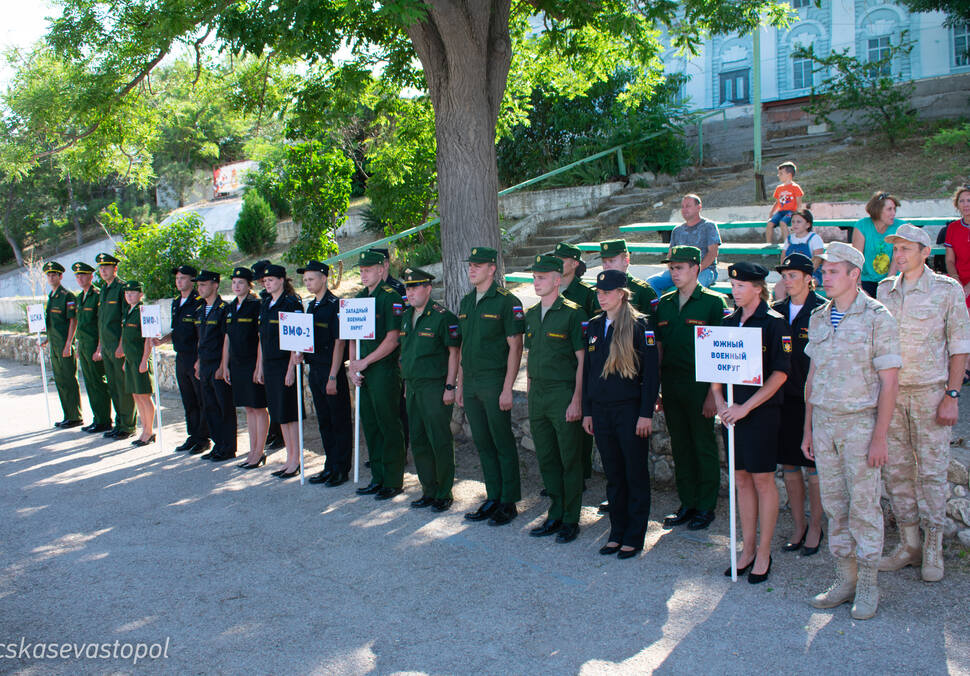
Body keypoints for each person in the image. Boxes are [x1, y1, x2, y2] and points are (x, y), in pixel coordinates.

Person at [802, 241, 901, 620]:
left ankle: (869, 584)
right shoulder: (819, 317)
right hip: (825, 423)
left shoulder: (878, 317)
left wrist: (879, 436)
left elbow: (889, 383)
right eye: (823, 271)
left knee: (864, 507)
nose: (824, 276)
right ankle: (845, 579)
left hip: (861, 424)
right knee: (834, 505)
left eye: (832, 271)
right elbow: (813, 376)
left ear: (854, 274)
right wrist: (808, 429)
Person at [877, 224, 970, 583]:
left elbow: (960, 347)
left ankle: (932, 547)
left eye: (905, 249)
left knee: (931, 473)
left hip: (932, 394)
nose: (898, 255)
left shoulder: (946, 290)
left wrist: (952, 394)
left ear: (924, 252)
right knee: (897, 471)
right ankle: (909, 543)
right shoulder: (885, 290)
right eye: (896, 249)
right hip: (892, 396)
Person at [711, 262, 791, 584]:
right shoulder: (727, 321)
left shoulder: (774, 323)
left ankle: (764, 550)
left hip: (761, 414)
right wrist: (721, 405)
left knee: (762, 480)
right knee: (741, 480)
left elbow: (781, 374)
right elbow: (714, 368)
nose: (735, 290)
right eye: (733, 285)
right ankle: (747, 548)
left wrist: (745, 408)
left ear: (758, 288)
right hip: (732, 415)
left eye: (741, 285)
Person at [582, 269, 659, 559]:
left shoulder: (640, 327)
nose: (601, 297)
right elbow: (589, 373)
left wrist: (645, 414)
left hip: (629, 411)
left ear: (621, 294)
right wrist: (588, 411)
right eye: (599, 293)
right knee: (613, 475)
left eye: (607, 292)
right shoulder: (593, 325)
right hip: (601, 412)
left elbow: (651, 375)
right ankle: (616, 532)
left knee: (634, 474)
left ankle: (634, 535)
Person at [654, 246, 728, 531]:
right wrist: (657, 388)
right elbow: (659, 348)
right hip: (672, 386)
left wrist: (714, 394)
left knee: (703, 445)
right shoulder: (665, 303)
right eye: (671, 268)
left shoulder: (712, 302)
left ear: (696, 268)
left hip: (701, 387)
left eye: (680, 267)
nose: (674, 272)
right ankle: (687, 502)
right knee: (680, 446)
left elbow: (720, 351)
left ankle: (706, 505)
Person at [458, 247, 526, 526]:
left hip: (494, 381)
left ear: (492, 269)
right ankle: (493, 496)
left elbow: (516, 346)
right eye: (470, 265)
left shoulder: (506, 302)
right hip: (472, 380)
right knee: (482, 441)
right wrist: (460, 384)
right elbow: (462, 345)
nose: (472, 269)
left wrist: (508, 387)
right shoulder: (466, 302)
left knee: (502, 441)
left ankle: (508, 501)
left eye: (478, 265)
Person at [523, 255, 587, 544]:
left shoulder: (574, 313)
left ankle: (571, 518)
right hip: (538, 394)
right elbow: (531, 356)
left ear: (557, 280)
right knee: (547, 457)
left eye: (543, 277)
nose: (537, 282)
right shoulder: (532, 314)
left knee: (569, 458)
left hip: (563, 393)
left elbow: (583, 361)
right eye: (534, 277)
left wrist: (577, 400)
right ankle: (555, 512)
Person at [772, 253, 826, 557]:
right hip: (783, 400)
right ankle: (798, 525)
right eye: (784, 275)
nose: (787, 280)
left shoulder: (821, 309)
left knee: (813, 467)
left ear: (808, 277)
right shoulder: (776, 311)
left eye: (793, 275)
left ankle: (816, 526)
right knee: (790, 464)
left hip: (813, 400)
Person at [399, 267, 460, 511]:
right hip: (413, 387)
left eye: (415, 287)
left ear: (428, 288)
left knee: (439, 440)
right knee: (419, 440)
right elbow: (406, 353)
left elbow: (454, 353)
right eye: (407, 288)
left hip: (435, 387)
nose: (410, 292)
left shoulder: (443, 317)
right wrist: (406, 385)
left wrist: (450, 386)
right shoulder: (406, 316)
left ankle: (444, 492)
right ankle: (429, 490)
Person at [348, 251, 407, 499]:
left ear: (382, 270)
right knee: (371, 426)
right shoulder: (359, 298)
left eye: (368, 269)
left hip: (383, 370)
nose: (364, 274)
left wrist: (365, 362)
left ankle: (393, 480)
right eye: (361, 270)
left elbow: (393, 340)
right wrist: (353, 366)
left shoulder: (390, 297)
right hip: (364, 372)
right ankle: (378, 477)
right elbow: (352, 336)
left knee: (388, 424)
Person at [300, 260, 353, 487]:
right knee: (324, 421)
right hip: (315, 370)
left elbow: (339, 343)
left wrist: (333, 376)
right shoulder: (312, 306)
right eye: (305, 281)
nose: (308, 283)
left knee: (339, 420)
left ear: (323, 278)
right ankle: (329, 465)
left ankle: (341, 468)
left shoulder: (335, 305)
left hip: (332, 371)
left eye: (311, 279)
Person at [553, 241, 597, 488]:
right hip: (555, 365)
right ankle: (561, 475)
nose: (558, 262)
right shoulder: (553, 287)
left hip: (579, 365)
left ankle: (578, 476)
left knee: (577, 425)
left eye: (563, 258)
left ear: (575, 263)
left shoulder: (587, 294)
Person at [256, 264, 304, 478]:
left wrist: (291, 370)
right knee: (279, 415)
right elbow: (262, 338)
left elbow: (297, 341)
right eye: (265, 281)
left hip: (286, 365)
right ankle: (289, 459)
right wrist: (260, 367)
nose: (267, 283)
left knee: (290, 414)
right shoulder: (266, 303)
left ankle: (296, 460)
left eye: (272, 280)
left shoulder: (291, 303)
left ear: (282, 281)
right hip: (271, 364)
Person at [154, 265, 209, 454]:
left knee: (200, 398)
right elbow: (177, 330)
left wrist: (199, 359)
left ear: (192, 281)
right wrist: (163, 340)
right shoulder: (177, 302)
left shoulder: (198, 301)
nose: (179, 282)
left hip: (195, 355)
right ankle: (192, 435)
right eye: (177, 278)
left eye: (183, 278)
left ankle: (203, 438)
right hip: (181, 356)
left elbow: (201, 334)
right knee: (188, 399)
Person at [221, 266, 269, 470]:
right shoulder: (231, 307)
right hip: (237, 364)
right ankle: (252, 450)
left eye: (240, 283)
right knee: (248, 408)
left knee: (258, 407)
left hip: (252, 363)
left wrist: (260, 366)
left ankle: (259, 451)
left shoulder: (256, 305)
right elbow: (227, 338)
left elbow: (261, 339)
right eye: (233, 282)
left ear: (249, 285)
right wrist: (225, 365)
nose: (236, 286)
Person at [193, 270, 236, 462]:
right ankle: (218, 444)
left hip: (218, 364)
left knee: (224, 407)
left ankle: (228, 447)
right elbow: (201, 339)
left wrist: (222, 365)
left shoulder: (223, 309)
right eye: (198, 284)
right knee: (210, 406)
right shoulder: (200, 310)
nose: (199, 288)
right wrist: (198, 361)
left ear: (215, 285)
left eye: (203, 284)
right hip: (205, 364)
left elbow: (226, 340)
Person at [369, 247, 409, 449]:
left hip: (396, 356)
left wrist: (403, 358)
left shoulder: (398, 289)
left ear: (385, 264)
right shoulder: (369, 292)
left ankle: (401, 450)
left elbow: (405, 324)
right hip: (375, 356)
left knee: (398, 408)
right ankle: (386, 449)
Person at [93, 253, 136, 439]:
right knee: (113, 385)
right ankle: (119, 423)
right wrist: (100, 346)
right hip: (107, 345)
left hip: (118, 345)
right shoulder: (104, 289)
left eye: (107, 267)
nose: (103, 270)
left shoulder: (122, 288)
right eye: (101, 268)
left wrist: (121, 346)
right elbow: (102, 321)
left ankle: (127, 425)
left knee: (122, 386)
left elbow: (125, 320)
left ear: (115, 269)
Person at [647, 195, 722, 295]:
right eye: (682, 206)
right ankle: (661, 309)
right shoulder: (677, 230)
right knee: (651, 282)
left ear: (698, 207)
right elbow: (670, 255)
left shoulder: (709, 226)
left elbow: (713, 253)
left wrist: (696, 270)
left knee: (691, 288)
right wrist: (673, 270)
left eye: (688, 206)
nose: (684, 209)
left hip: (704, 270)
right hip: (679, 269)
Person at [71, 262, 112, 433]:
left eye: (83, 275)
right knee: (90, 383)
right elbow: (80, 325)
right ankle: (97, 418)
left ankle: (104, 420)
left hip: (95, 346)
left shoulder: (97, 295)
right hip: (85, 346)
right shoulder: (81, 297)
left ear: (91, 276)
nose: (80, 278)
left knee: (98, 383)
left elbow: (101, 324)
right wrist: (79, 345)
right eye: (77, 276)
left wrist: (99, 348)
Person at [41, 261, 82, 429]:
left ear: (60, 276)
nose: (51, 277)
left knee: (69, 380)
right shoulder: (52, 296)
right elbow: (53, 323)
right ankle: (68, 415)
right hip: (55, 345)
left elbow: (73, 320)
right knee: (60, 381)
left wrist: (68, 344)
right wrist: (47, 339)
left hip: (65, 345)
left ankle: (75, 416)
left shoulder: (67, 296)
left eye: (54, 275)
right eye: (49, 275)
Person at [116, 281, 155, 446]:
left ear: (140, 294)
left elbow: (148, 338)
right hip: (131, 360)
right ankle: (144, 429)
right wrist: (126, 360)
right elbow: (126, 338)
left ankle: (149, 431)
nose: (129, 295)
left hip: (141, 359)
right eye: (127, 293)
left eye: (133, 293)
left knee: (145, 396)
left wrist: (145, 360)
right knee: (136, 395)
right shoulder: (128, 311)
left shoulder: (143, 311)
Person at [253, 259, 285, 452]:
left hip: (281, 359)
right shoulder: (265, 300)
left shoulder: (287, 300)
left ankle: (279, 435)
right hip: (268, 357)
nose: (262, 283)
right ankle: (274, 433)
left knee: (282, 406)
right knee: (272, 402)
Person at [852, 191, 903, 297]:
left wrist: (888, 284)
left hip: (893, 280)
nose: (893, 213)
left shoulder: (900, 227)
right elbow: (856, 258)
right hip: (866, 280)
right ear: (878, 210)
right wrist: (858, 286)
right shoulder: (862, 226)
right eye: (889, 209)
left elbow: (896, 259)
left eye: (894, 209)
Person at [599, 239, 659, 319]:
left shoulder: (642, 290)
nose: (607, 266)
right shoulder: (599, 292)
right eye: (604, 261)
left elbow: (651, 324)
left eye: (611, 261)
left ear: (626, 261)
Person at [774, 209, 823, 300]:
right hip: (790, 274)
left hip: (810, 274)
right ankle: (782, 311)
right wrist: (785, 274)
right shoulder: (789, 239)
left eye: (799, 222)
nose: (795, 224)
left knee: (802, 287)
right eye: (793, 222)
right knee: (779, 288)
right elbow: (783, 257)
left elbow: (818, 259)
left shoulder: (814, 238)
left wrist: (804, 275)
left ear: (808, 225)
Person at [943, 184, 970, 310]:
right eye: (962, 201)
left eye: (969, 200)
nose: (966, 204)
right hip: (959, 278)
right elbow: (949, 260)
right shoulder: (953, 228)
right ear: (957, 205)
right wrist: (955, 279)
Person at [765, 161, 804, 244]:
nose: (778, 175)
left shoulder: (795, 187)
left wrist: (797, 214)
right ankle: (768, 245)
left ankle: (787, 244)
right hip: (780, 211)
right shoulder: (779, 188)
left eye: (781, 173)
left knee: (783, 223)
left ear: (789, 175)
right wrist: (772, 212)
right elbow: (777, 202)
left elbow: (799, 202)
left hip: (791, 211)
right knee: (769, 224)